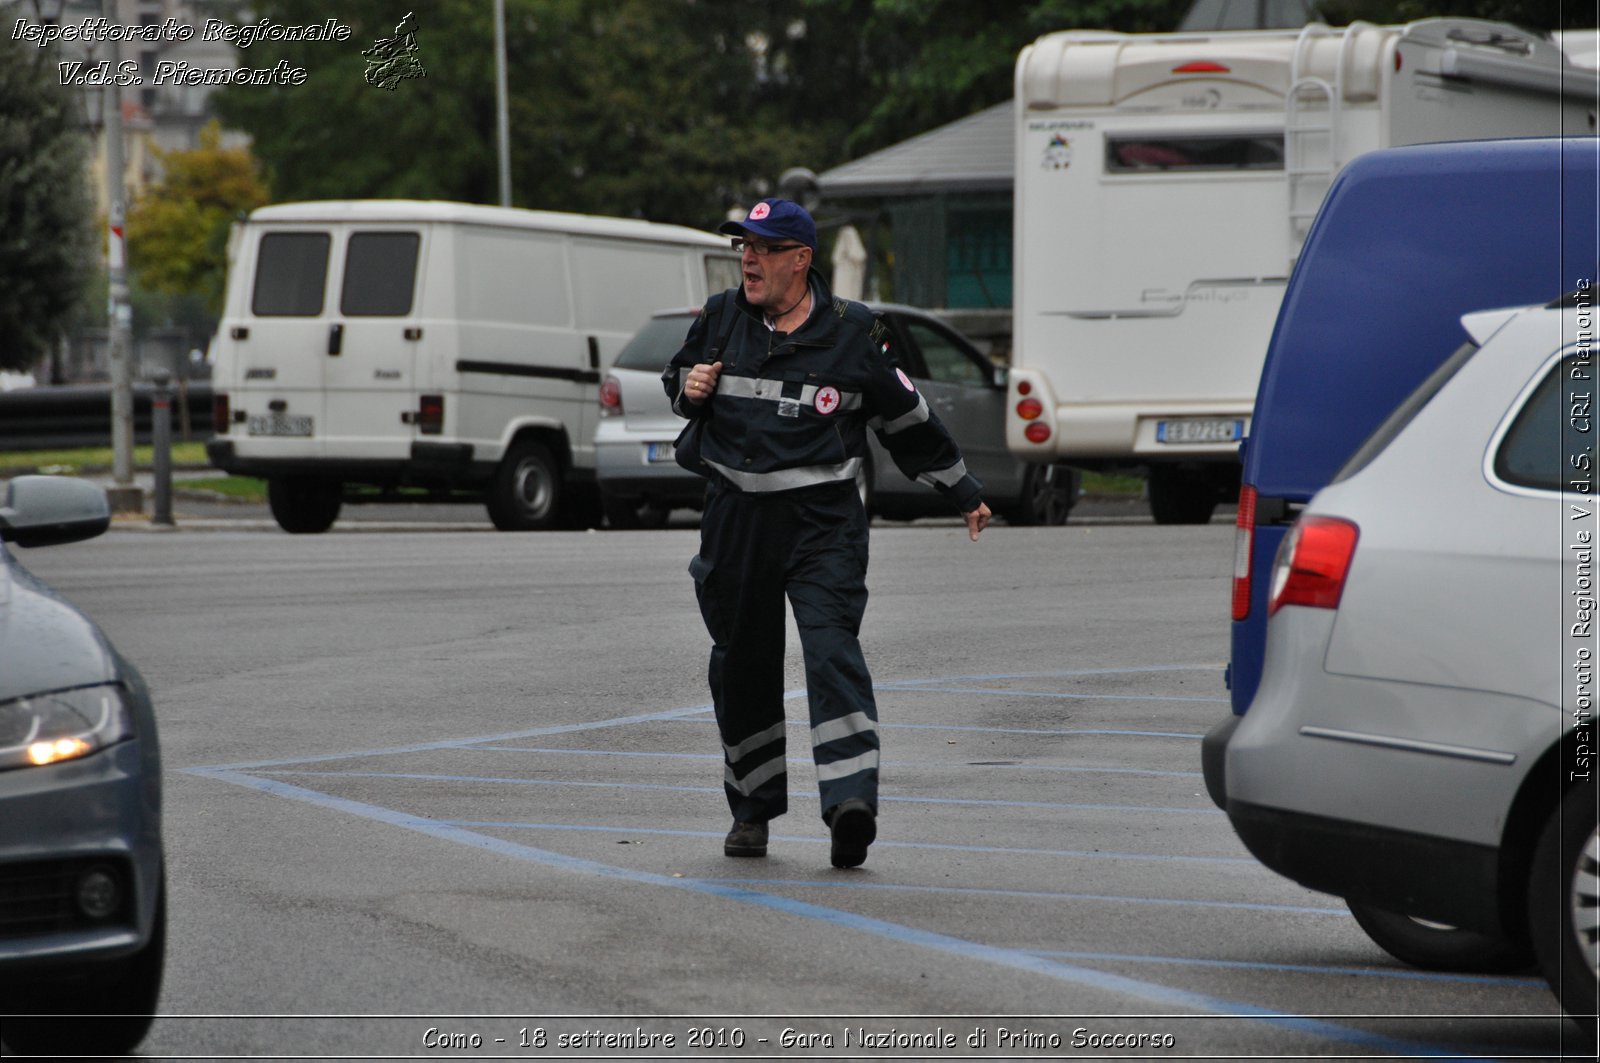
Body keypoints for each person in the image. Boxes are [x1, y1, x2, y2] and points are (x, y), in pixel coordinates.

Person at [662, 198, 992, 869]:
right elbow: (679, 380)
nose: (748, 259)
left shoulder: (853, 333)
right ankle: (752, 810)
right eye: (743, 247)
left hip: (822, 526)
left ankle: (850, 804)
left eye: (763, 247)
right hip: (735, 524)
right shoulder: (723, 318)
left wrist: (961, 489)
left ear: (801, 259)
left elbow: (909, 418)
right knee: (741, 666)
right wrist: (689, 387)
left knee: (832, 653)